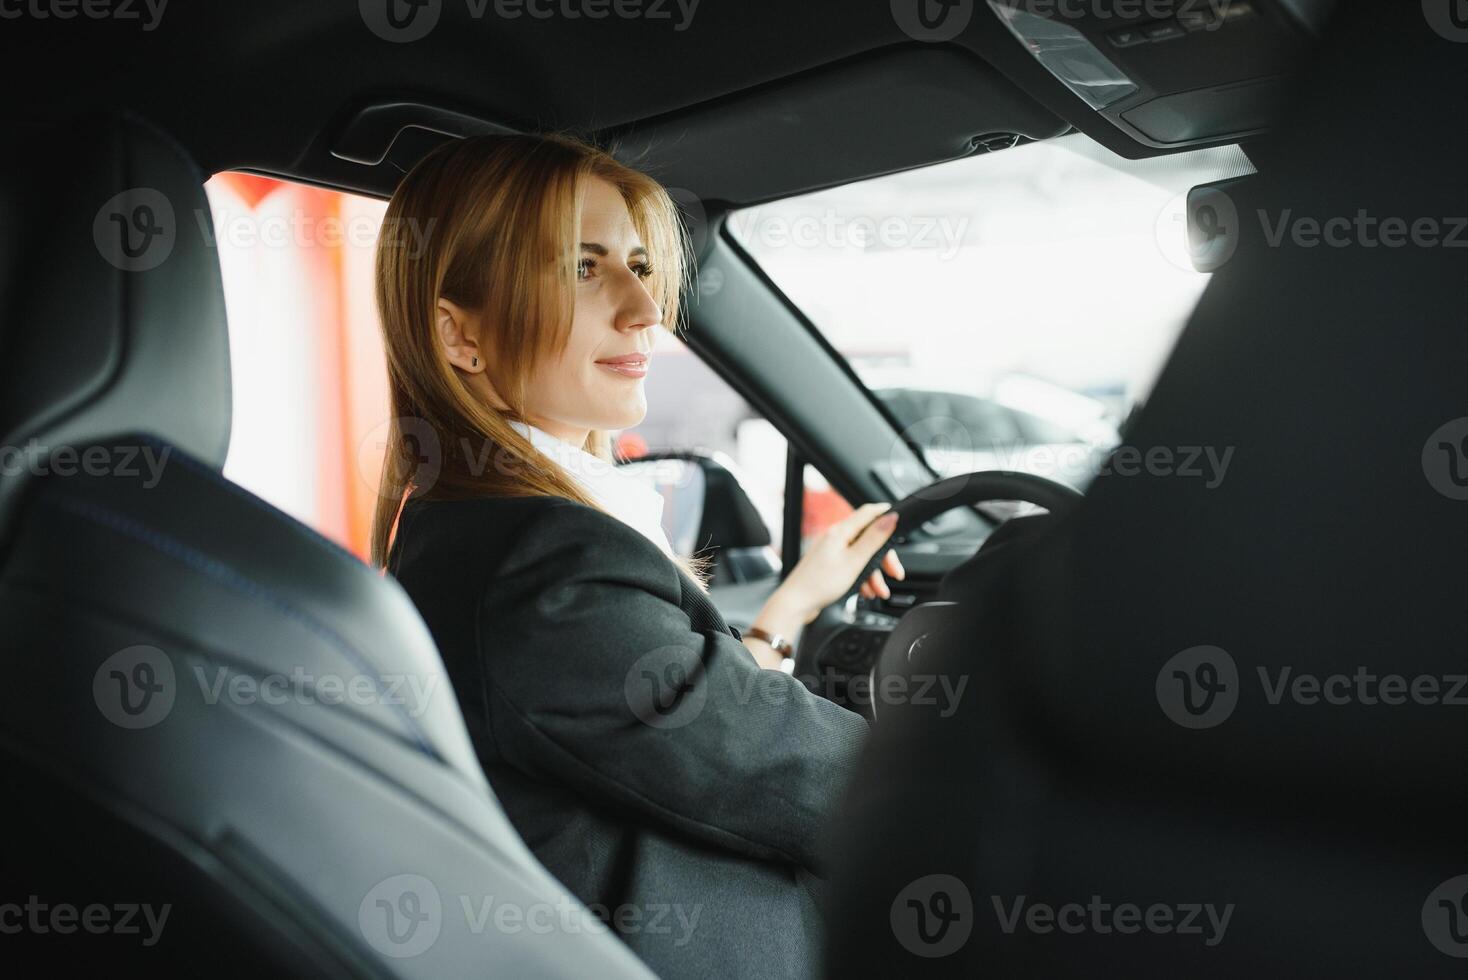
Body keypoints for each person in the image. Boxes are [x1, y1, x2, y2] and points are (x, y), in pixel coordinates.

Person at [374, 132, 904, 978]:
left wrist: (789, 610)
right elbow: (777, 769)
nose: (644, 308)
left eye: (636, 263)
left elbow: (692, 722)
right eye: (581, 269)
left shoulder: (483, 526)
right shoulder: (537, 565)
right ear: (459, 335)